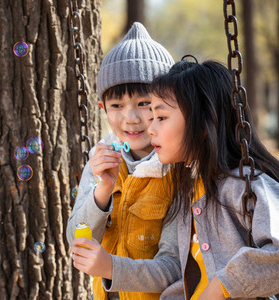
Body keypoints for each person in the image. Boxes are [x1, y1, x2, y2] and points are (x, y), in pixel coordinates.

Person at [72, 57, 279, 299]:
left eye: (160, 117)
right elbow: (184, 278)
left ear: (202, 124)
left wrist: (221, 287)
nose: (150, 128)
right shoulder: (189, 188)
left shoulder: (246, 184)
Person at [66, 22, 180, 300]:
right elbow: (77, 238)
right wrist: (101, 192)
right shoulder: (102, 159)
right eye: (117, 106)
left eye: (144, 104)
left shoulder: (179, 168)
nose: (131, 118)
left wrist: (110, 267)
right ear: (102, 108)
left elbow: (175, 267)